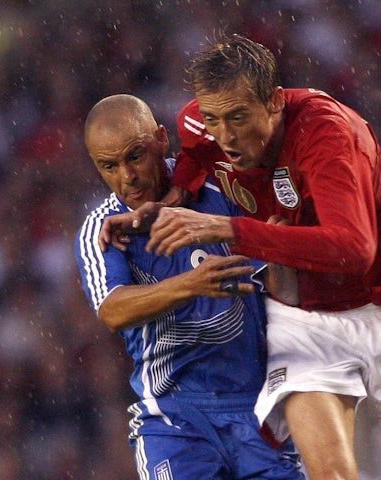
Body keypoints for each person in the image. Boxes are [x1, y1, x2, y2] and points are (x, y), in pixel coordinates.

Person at [144, 34, 381, 480]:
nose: (225, 135)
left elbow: (355, 249)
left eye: (239, 118)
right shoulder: (201, 124)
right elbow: (194, 150)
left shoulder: (329, 135)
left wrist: (232, 229)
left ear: (276, 102)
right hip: (305, 323)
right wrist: (172, 194)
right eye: (214, 118)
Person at [74, 94, 303, 479]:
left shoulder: (222, 187)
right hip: (174, 416)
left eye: (135, 156)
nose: (126, 177)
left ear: (162, 139)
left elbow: (286, 293)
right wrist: (190, 285)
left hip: (260, 406)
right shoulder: (103, 229)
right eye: (108, 166)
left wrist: (279, 249)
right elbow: (113, 311)